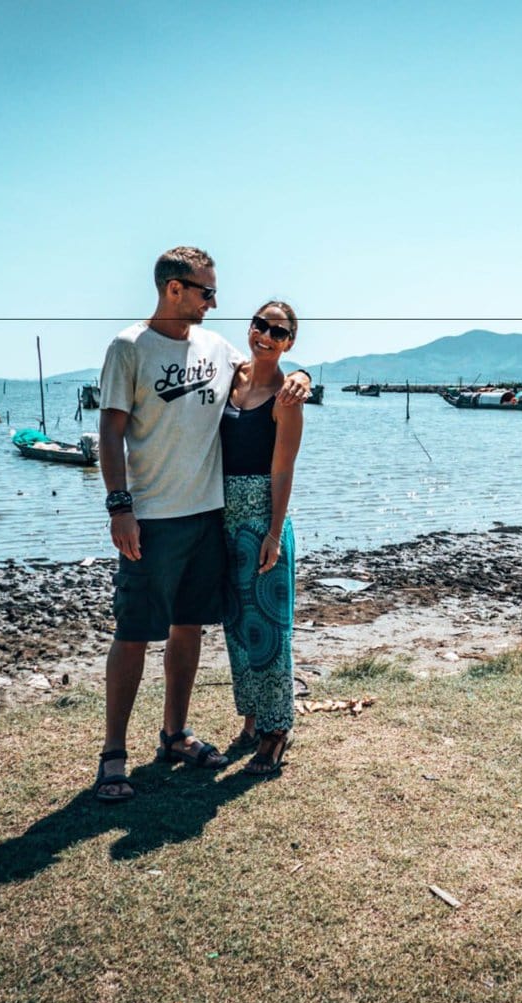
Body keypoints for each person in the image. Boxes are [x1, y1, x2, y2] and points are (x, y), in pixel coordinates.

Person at [94, 247, 310, 803]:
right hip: (151, 519)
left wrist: (303, 374)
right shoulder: (128, 347)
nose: (214, 302)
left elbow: (270, 367)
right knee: (134, 632)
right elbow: (110, 431)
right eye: (205, 291)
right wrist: (120, 506)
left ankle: (175, 734)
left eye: (214, 293)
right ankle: (114, 755)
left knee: (189, 627)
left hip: (210, 518)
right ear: (174, 289)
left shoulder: (217, 348)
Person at [220, 301, 305, 775]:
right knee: (236, 625)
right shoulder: (229, 379)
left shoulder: (286, 398)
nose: (266, 335)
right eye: (260, 325)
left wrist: (274, 530)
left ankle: (276, 729)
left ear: (289, 342)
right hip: (222, 517)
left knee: (270, 628)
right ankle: (251, 718)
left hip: (262, 518)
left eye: (278, 331)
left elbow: (283, 469)